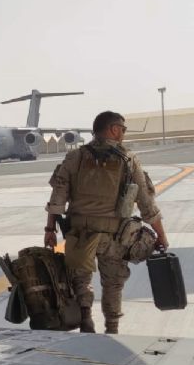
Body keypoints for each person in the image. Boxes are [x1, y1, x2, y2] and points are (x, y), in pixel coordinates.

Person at [43, 111, 169, 334]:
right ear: (113, 129)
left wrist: (50, 229)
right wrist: (161, 235)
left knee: (80, 277)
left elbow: (57, 197)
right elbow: (147, 205)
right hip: (114, 236)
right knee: (113, 282)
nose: (123, 133)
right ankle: (112, 327)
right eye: (122, 128)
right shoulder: (128, 160)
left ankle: (85, 316)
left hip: (79, 233)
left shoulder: (75, 157)